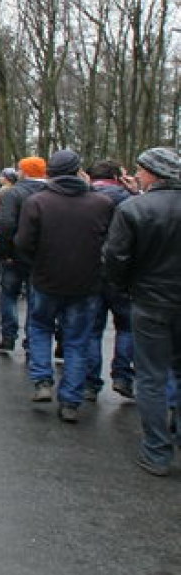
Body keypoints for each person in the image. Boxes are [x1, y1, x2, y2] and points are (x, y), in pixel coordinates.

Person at [14, 149, 114, 423]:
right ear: (78, 171)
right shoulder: (102, 203)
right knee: (77, 341)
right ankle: (71, 400)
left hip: (45, 279)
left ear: (50, 173)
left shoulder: (37, 202)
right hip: (86, 284)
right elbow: (111, 244)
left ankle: (42, 381)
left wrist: (36, 264)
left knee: (40, 328)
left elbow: (23, 243)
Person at [102, 146, 181, 476]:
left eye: (141, 169)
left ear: (153, 173)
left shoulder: (134, 208)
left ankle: (157, 451)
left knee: (150, 376)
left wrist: (122, 289)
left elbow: (116, 257)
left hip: (149, 301)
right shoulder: (134, 207)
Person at [85, 159, 135, 401]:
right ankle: (123, 376)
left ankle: (91, 383)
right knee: (126, 327)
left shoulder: (84, 198)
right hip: (124, 273)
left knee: (92, 329)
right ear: (117, 176)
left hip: (91, 270)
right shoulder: (131, 200)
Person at [0, 156, 47, 355]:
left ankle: (8, 336)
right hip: (41, 256)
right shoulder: (51, 193)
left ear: (24, 171)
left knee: (8, 294)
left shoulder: (13, 193)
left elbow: (5, 224)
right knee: (35, 298)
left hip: (14, 255)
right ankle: (31, 341)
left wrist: (4, 252)